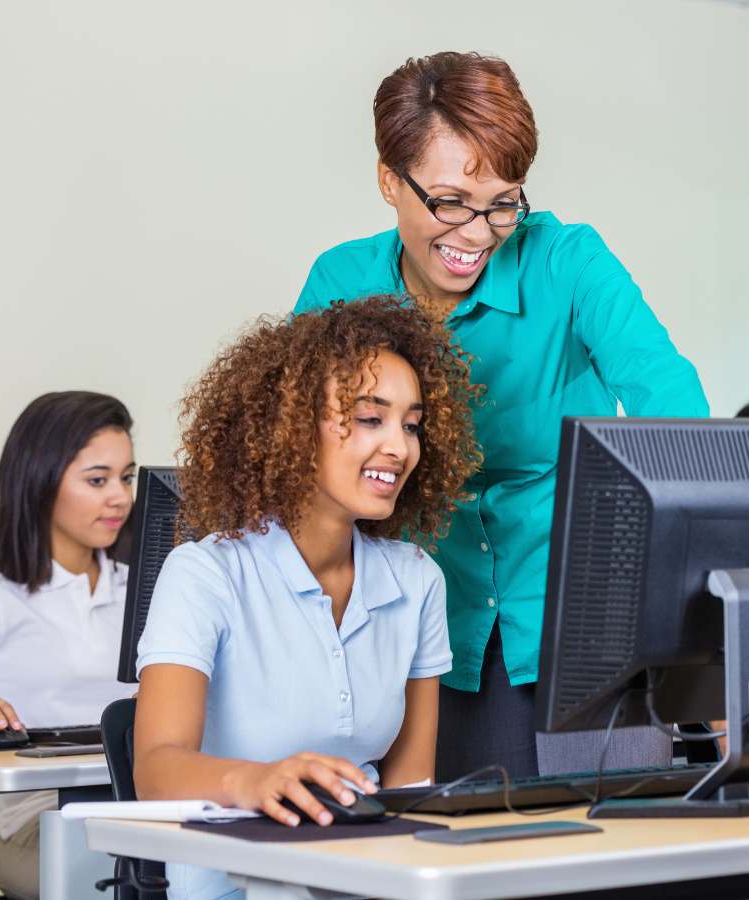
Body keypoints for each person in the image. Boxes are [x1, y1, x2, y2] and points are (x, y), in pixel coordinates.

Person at [294, 52, 708, 779]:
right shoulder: (343, 280)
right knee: (456, 862)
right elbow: (301, 453)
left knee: (621, 857)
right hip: (413, 624)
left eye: (504, 202)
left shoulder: (569, 261)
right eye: (451, 201)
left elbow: (667, 398)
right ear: (391, 181)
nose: (479, 234)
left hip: (584, 619)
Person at [132, 297, 481, 900]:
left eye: (411, 424)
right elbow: (157, 768)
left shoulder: (418, 580)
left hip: (363, 879)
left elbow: (408, 786)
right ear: (292, 428)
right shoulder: (204, 573)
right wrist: (260, 781)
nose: (399, 447)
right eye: (371, 418)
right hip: (233, 886)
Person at [0, 392, 138, 899]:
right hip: (34, 823)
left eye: (127, 478)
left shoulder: (141, 587)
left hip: (135, 808)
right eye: (97, 480)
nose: (120, 498)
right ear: (42, 483)